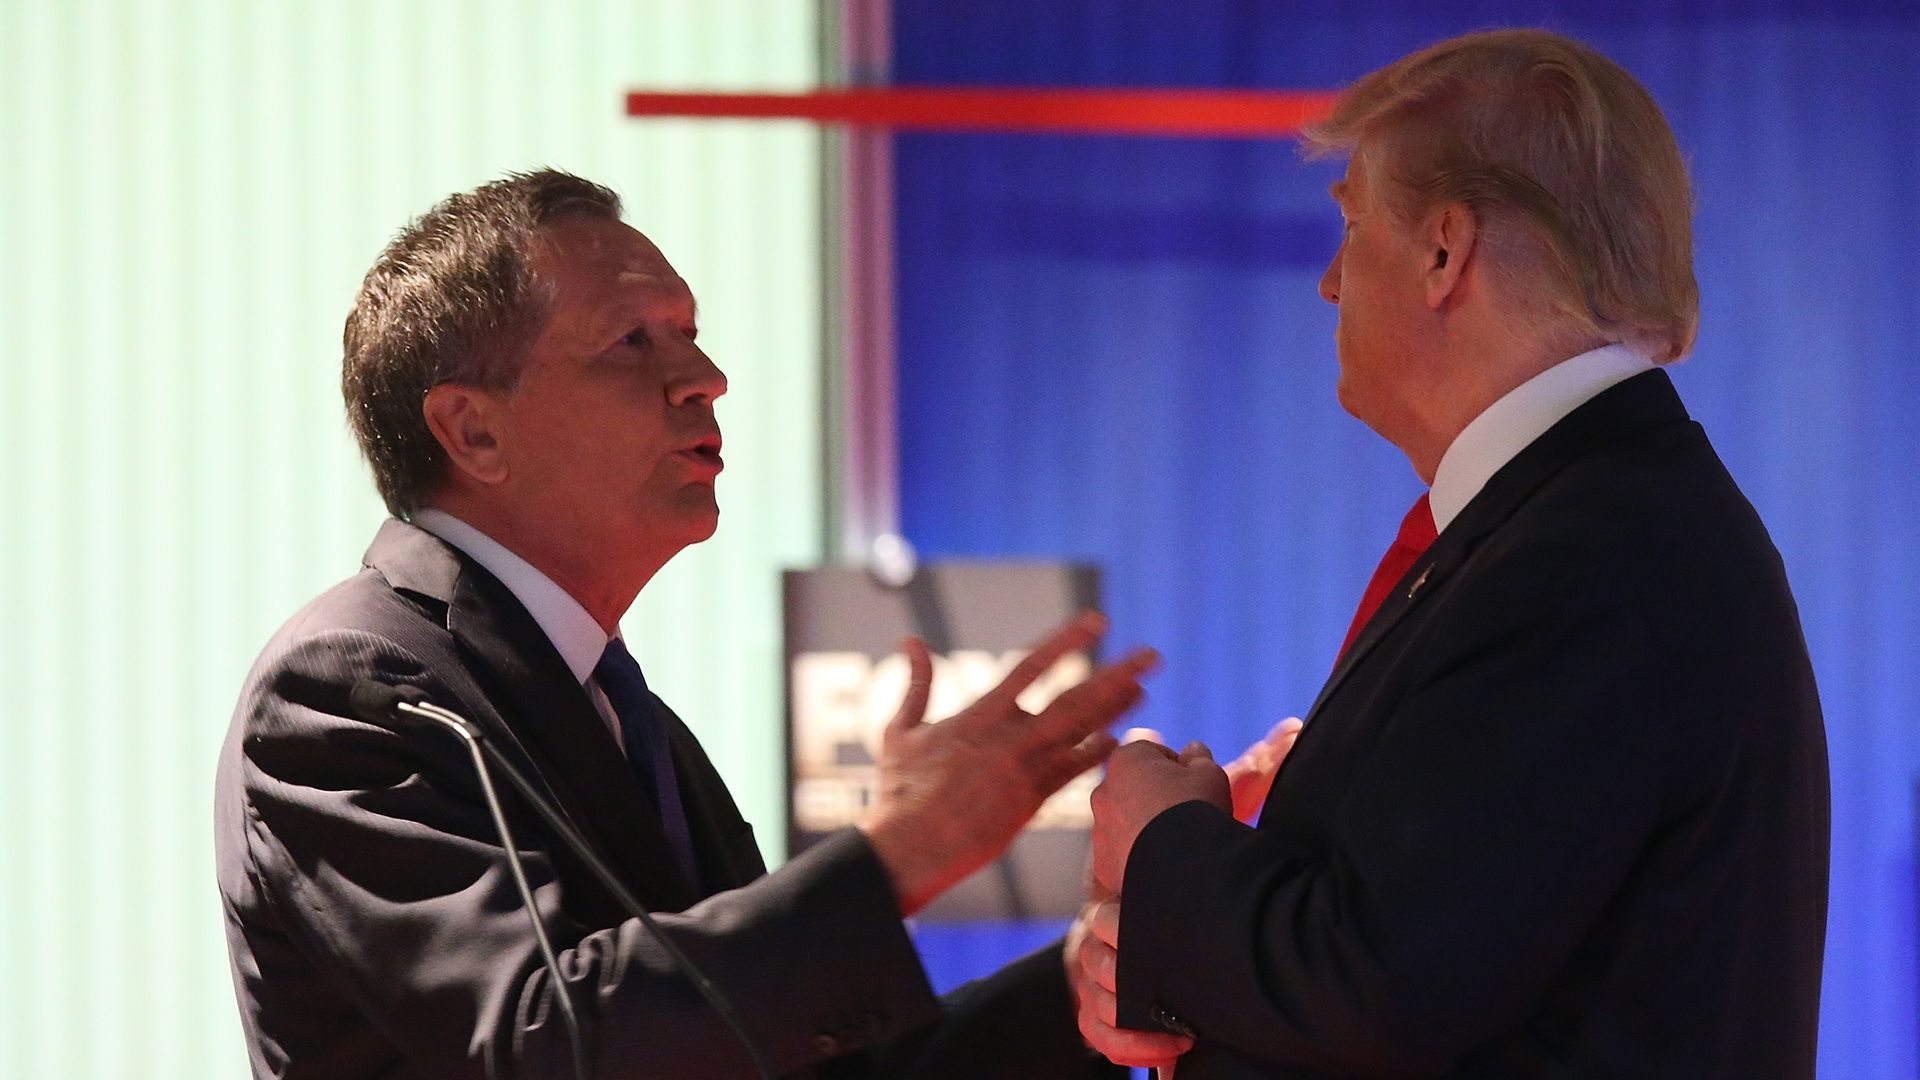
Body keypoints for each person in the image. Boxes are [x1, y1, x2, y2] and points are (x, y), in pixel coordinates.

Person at [214, 170, 1158, 1078]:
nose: (705, 378)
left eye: (690, 334)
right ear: (474, 431)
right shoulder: (351, 686)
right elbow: (544, 1040)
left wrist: (1077, 985)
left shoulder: (624, 713)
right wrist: (898, 854)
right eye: (632, 341)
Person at [1075, 28, 1829, 1079]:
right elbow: (1421, 951)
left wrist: (1165, 846)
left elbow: (1381, 988)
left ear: (1443, 252)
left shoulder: (1594, 553)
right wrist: (1160, 948)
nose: (1330, 282)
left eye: (1351, 227)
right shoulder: (1578, 522)